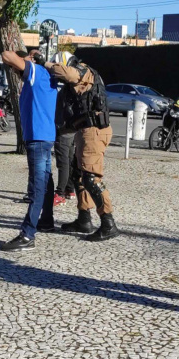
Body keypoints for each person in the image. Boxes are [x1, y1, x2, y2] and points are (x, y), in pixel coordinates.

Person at [45, 55, 119, 242]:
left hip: (94, 131)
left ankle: (108, 223)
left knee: (91, 178)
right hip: (85, 130)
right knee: (79, 175)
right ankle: (84, 219)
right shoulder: (81, 78)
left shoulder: (82, 71)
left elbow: (67, 73)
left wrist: (44, 63)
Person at [0, 50, 57, 252]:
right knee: (46, 181)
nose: (15, 70)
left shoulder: (38, 72)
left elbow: (6, 55)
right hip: (45, 136)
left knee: (37, 187)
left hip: (38, 137)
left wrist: (28, 59)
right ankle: (46, 221)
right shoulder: (45, 76)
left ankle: (27, 234)